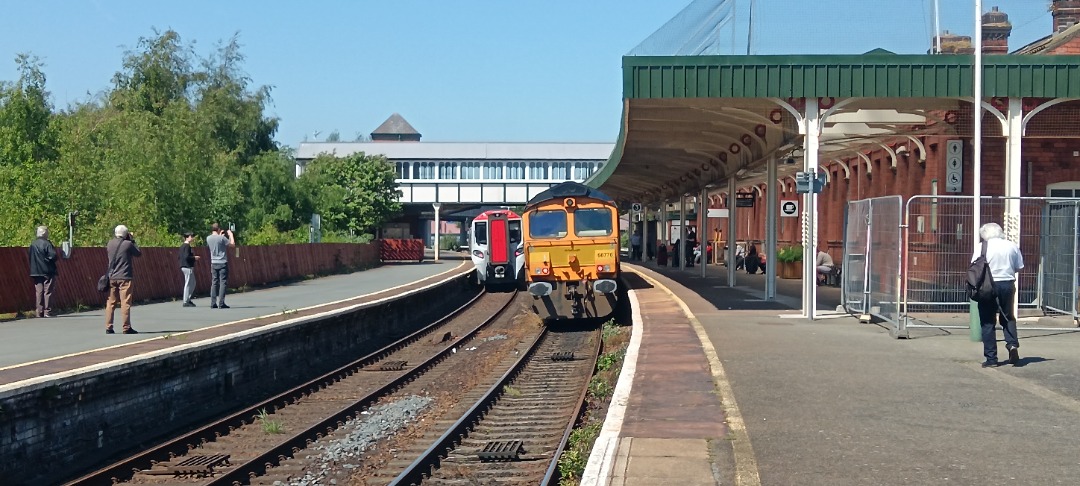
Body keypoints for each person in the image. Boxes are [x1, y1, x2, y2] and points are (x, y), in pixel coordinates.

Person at [972, 223, 1024, 367]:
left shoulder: (982, 247)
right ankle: (1012, 345)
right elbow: (1019, 266)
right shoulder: (1011, 246)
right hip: (1007, 284)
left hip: (987, 285)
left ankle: (991, 358)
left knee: (988, 321)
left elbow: (974, 265)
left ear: (985, 234)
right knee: (1008, 316)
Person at [104, 225, 141, 334]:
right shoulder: (128, 244)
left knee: (111, 303)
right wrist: (132, 240)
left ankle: (108, 327)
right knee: (125, 303)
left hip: (112, 277)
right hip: (125, 276)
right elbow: (138, 253)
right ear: (126, 234)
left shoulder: (109, 244)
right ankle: (126, 327)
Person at [29, 225, 59, 318]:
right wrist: (48, 260)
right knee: (48, 291)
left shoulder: (33, 244)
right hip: (47, 270)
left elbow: (30, 256)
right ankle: (47, 311)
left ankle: (39, 312)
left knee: (39, 292)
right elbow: (53, 256)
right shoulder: (47, 243)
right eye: (47, 232)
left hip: (35, 271)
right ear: (44, 233)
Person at [207, 223, 236, 309]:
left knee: (214, 282)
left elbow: (216, 243)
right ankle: (221, 302)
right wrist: (231, 235)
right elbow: (232, 244)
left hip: (213, 262)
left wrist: (220, 235)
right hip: (222, 261)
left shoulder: (208, 238)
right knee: (223, 282)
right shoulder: (222, 238)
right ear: (218, 229)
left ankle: (213, 302)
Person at [178, 232, 201, 307]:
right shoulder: (187, 246)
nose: (192, 238)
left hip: (184, 266)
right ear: (187, 237)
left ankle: (188, 298)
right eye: (191, 236)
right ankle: (185, 301)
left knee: (192, 283)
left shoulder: (182, 246)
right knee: (188, 283)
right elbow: (186, 257)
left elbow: (180, 257)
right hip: (187, 266)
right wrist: (194, 257)